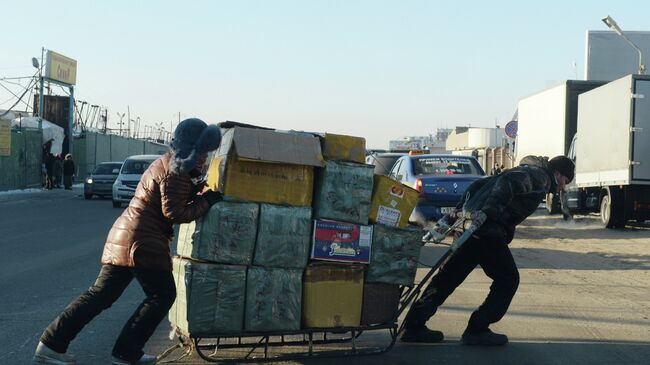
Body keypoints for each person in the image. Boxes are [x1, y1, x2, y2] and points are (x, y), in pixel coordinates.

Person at [33, 119, 224, 365]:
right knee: (162, 295)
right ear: (190, 148)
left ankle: (51, 344)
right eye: (201, 153)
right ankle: (126, 352)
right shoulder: (177, 170)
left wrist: (198, 191)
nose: (203, 159)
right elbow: (174, 213)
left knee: (100, 296)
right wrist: (207, 201)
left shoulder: (168, 162)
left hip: (126, 235)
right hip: (143, 241)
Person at [401, 155, 575, 346]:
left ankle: (414, 325)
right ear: (557, 173)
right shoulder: (541, 177)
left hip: (470, 227)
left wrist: (459, 211)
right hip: (487, 231)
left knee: (447, 278)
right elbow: (507, 183)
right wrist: (490, 211)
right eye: (565, 181)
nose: (563, 187)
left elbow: (478, 185)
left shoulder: (524, 170)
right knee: (508, 279)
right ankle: (478, 328)